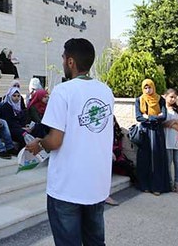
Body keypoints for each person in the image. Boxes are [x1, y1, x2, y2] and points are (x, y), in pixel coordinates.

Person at [25, 38, 114, 246]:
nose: (63, 62)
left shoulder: (63, 91)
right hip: (96, 185)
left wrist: (39, 143)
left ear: (71, 62)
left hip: (68, 188)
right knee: (95, 242)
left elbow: (55, 141)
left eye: (64, 58)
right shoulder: (106, 92)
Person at [134, 79, 170, 195]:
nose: (148, 90)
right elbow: (138, 117)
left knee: (157, 158)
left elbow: (164, 116)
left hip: (157, 132)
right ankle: (145, 185)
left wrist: (148, 117)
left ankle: (157, 187)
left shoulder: (160, 99)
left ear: (153, 87)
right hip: (145, 132)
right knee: (145, 159)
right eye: (145, 88)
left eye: (150, 87)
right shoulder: (139, 100)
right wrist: (154, 117)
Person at [163, 88, 178, 192]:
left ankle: (177, 183)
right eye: (171, 97)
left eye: (175, 97)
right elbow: (162, 123)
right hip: (166, 140)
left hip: (177, 140)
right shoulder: (162, 109)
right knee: (168, 163)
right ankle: (169, 183)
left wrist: (174, 121)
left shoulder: (177, 110)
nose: (173, 99)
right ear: (165, 96)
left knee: (177, 162)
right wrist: (172, 125)